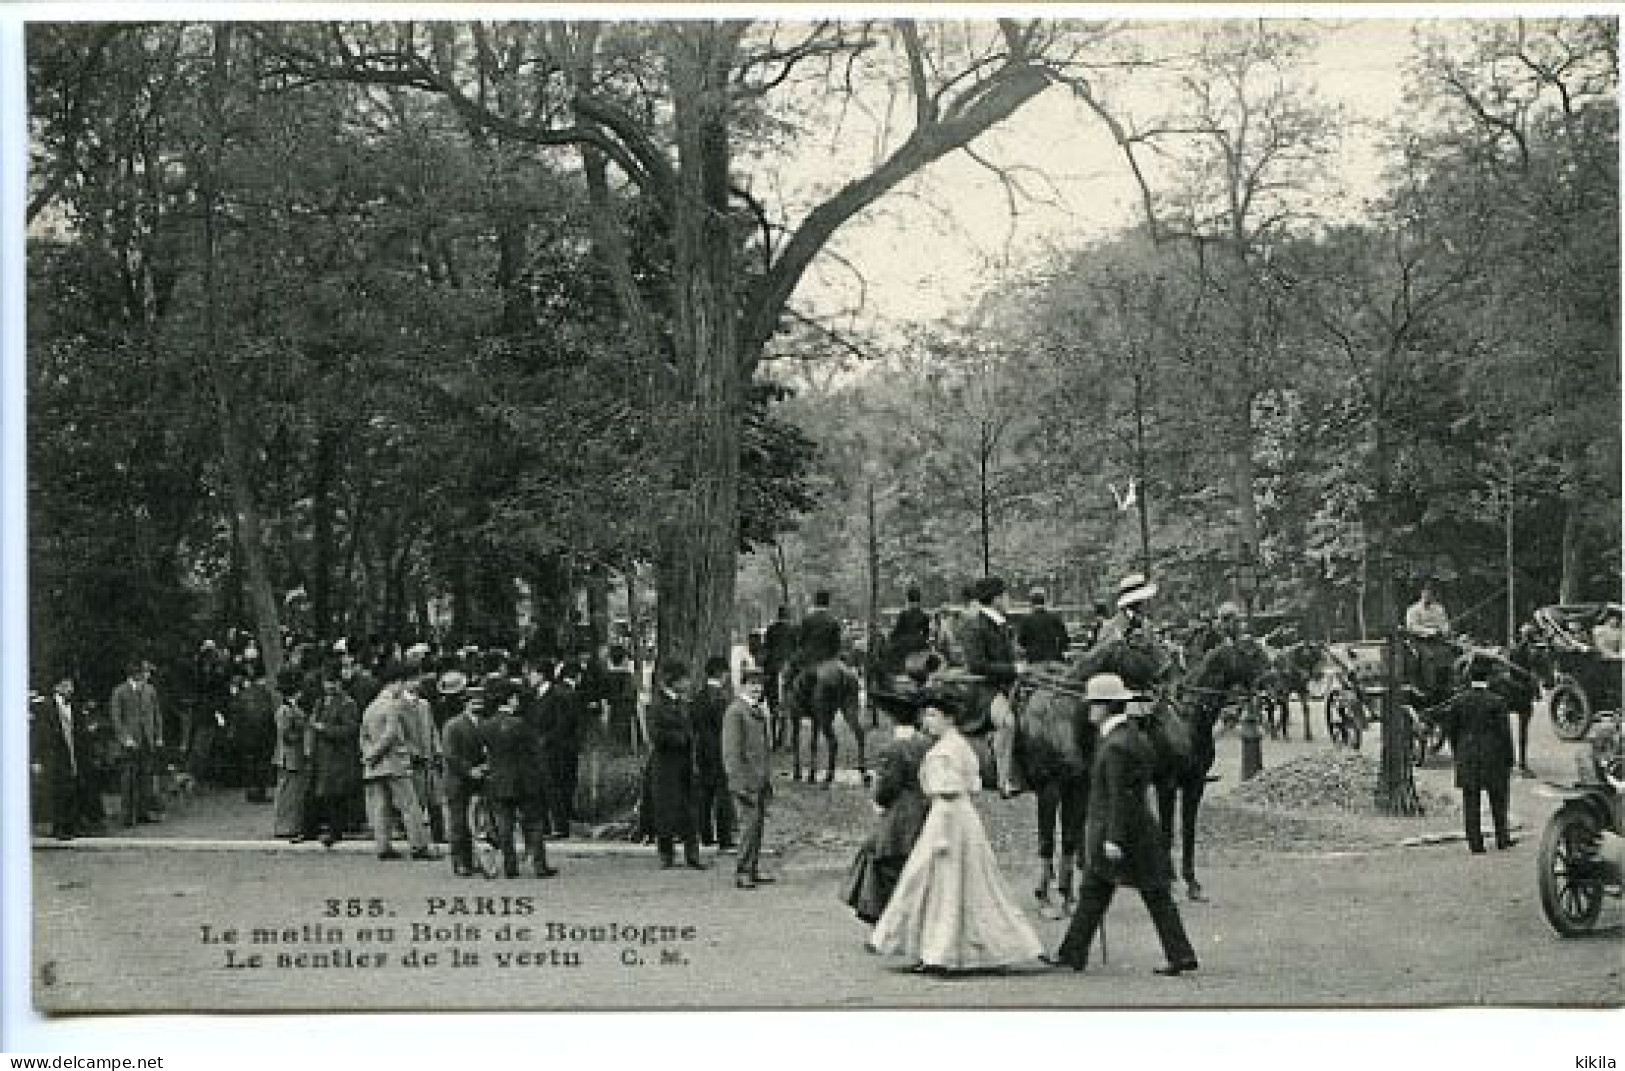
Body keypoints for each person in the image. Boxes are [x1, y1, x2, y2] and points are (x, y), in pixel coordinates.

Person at [867, 692, 1043, 973]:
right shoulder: (954, 745)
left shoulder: (948, 749)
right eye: (927, 715)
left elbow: (951, 788)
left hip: (949, 817)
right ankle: (935, 949)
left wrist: (942, 831)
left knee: (948, 881)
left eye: (934, 716)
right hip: (952, 815)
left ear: (949, 718)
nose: (928, 722)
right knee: (938, 882)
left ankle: (944, 952)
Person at [1050, 674, 1199, 976]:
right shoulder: (1128, 736)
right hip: (1135, 830)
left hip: (1126, 833)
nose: (1089, 710)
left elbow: (1120, 796)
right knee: (1096, 890)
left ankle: (1179, 954)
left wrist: (1114, 838)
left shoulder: (1116, 745)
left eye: (1094, 705)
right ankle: (1072, 952)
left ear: (1106, 707)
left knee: (1153, 894)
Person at [845, 682, 933, 924]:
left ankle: (883, 919)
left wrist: (878, 797)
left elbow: (886, 790)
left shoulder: (894, 748)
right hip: (924, 809)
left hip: (902, 815)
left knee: (878, 856)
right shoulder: (925, 743)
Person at [479, 678, 557, 879]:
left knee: (504, 825)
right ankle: (540, 865)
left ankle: (510, 866)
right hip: (525, 780)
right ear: (511, 699)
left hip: (499, 780)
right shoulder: (522, 725)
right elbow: (536, 754)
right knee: (534, 823)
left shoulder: (486, 726)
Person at [359, 663, 436, 861]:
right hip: (394, 762)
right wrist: (375, 753)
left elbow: (364, 736)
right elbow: (391, 734)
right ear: (395, 683)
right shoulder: (391, 705)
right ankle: (419, 846)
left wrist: (369, 755)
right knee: (410, 806)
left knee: (381, 806)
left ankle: (383, 846)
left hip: (375, 766)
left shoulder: (371, 706)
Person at [1440, 658, 1517, 854]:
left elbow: (1451, 731)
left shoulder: (1459, 701)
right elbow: (1504, 733)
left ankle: (1475, 842)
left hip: (1468, 754)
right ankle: (1502, 838)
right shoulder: (1497, 702)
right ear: (1488, 678)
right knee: (1499, 799)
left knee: (1471, 800)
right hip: (1494, 756)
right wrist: (1510, 758)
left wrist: (1458, 751)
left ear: (1469, 678)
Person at [956, 576, 1020, 793]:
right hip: (984, 690)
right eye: (1005, 595)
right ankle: (1004, 779)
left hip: (1005, 686)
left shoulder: (1002, 624)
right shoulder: (974, 625)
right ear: (995, 599)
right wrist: (1013, 670)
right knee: (1008, 722)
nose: (1009, 599)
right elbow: (977, 665)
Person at [642, 660, 708, 870]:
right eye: (684, 680)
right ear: (674, 682)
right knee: (665, 810)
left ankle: (692, 853)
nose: (688, 684)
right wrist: (680, 738)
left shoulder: (683, 704)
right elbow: (656, 735)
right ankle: (666, 853)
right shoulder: (657, 705)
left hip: (685, 763)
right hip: (665, 764)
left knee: (689, 809)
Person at [722, 663, 774, 889]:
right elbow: (731, 752)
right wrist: (737, 782)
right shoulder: (736, 712)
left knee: (757, 827)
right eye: (752, 684)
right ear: (742, 686)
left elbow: (762, 749)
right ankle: (742, 871)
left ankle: (752, 868)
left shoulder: (757, 711)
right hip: (745, 781)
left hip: (759, 779)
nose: (756, 689)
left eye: (759, 685)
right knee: (747, 827)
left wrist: (766, 779)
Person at [31, 674, 94, 840]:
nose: (70, 690)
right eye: (67, 686)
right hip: (54, 753)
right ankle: (58, 827)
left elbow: (79, 730)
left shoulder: (74, 706)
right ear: (57, 687)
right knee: (58, 789)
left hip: (72, 750)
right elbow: (38, 734)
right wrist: (36, 758)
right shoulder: (46, 706)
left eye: (71, 686)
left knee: (73, 786)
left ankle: (72, 824)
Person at [306, 665, 360, 847]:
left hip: (338, 756)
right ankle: (317, 828)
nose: (329, 686)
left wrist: (326, 729)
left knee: (335, 795)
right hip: (321, 755)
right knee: (322, 794)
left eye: (332, 682)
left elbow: (350, 730)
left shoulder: (347, 703)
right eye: (326, 682)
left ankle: (336, 830)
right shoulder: (320, 702)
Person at [689, 655, 737, 851]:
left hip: (702, 749)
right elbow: (725, 726)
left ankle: (706, 834)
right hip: (719, 749)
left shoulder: (698, 696)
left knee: (705, 795)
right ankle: (724, 837)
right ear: (722, 673)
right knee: (723, 795)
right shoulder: (721, 698)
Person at [440, 684, 488, 877]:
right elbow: (450, 755)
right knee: (458, 823)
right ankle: (460, 862)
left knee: (476, 823)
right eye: (474, 701)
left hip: (478, 778)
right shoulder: (453, 725)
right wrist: (470, 770)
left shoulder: (484, 723)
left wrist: (484, 767)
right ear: (465, 704)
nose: (478, 704)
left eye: (480, 701)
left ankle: (471, 860)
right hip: (457, 780)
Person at [109, 660, 163, 826]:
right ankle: (127, 816)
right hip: (130, 742)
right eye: (144, 672)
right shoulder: (119, 691)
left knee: (145, 778)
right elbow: (116, 718)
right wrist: (125, 738)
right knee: (128, 779)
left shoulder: (150, 690)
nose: (147, 675)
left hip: (147, 740)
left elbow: (156, 714)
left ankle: (143, 812)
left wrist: (158, 736)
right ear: (135, 674)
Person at [541, 660, 590, 838]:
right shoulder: (571, 694)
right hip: (566, 746)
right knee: (565, 783)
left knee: (556, 783)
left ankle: (557, 821)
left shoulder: (555, 692)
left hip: (554, 746)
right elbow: (571, 722)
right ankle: (563, 820)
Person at [271, 669, 312, 840]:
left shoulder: (290, 709)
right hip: (288, 755)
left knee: (291, 791)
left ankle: (289, 824)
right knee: (287, 791)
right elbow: (286, 735)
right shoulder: (285, 711)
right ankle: (284, 826)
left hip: (291, 755)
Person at [232, 663, 278, 804]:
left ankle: (250, 791)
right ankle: (260, 792)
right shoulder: (265, 695)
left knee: (249, 763)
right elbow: (270, 715)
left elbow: (236, 714)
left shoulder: (242, 695)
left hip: (246, 734)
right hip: (262, 735)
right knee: (261, 763)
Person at [1404, 580, 1454, 697]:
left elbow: (1445, 624)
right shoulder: (1413, 610)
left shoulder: (1439, 609)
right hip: (1419, 641)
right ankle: (1428, 687)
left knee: (1448, 654)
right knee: (1429, 656)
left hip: (1437, 641)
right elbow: (1412, 627)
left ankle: (1446, 686)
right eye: (1426, 592)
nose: (1428, 595)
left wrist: (1444, 630)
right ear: (1422, 593)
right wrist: (1429, 631)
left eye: (1431, 593)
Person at [761, 606, 797, 746]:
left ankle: (775, 739)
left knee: (773, 703)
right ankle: (786, 738)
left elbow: (767, 649)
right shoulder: (795, 630)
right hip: (788, 671)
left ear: (778, 615)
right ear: (788, 616)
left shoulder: (771, 630)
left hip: (772, 670)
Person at [1017, 587, 1072, 665]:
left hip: (1035, 661)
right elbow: (1065, 639)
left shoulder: (1026, 620)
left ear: (1031, 602)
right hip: (1054, 660)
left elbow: (1022, 642)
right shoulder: (1054, 618)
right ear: (1044, 601)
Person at [889, 587, 933, 668]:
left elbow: (896, 632)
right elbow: (926, 634)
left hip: (905, 645)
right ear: (919, 601)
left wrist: (891, 638)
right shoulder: (924, 616)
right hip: (920, 645)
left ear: (908, 600)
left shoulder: (904, 615)